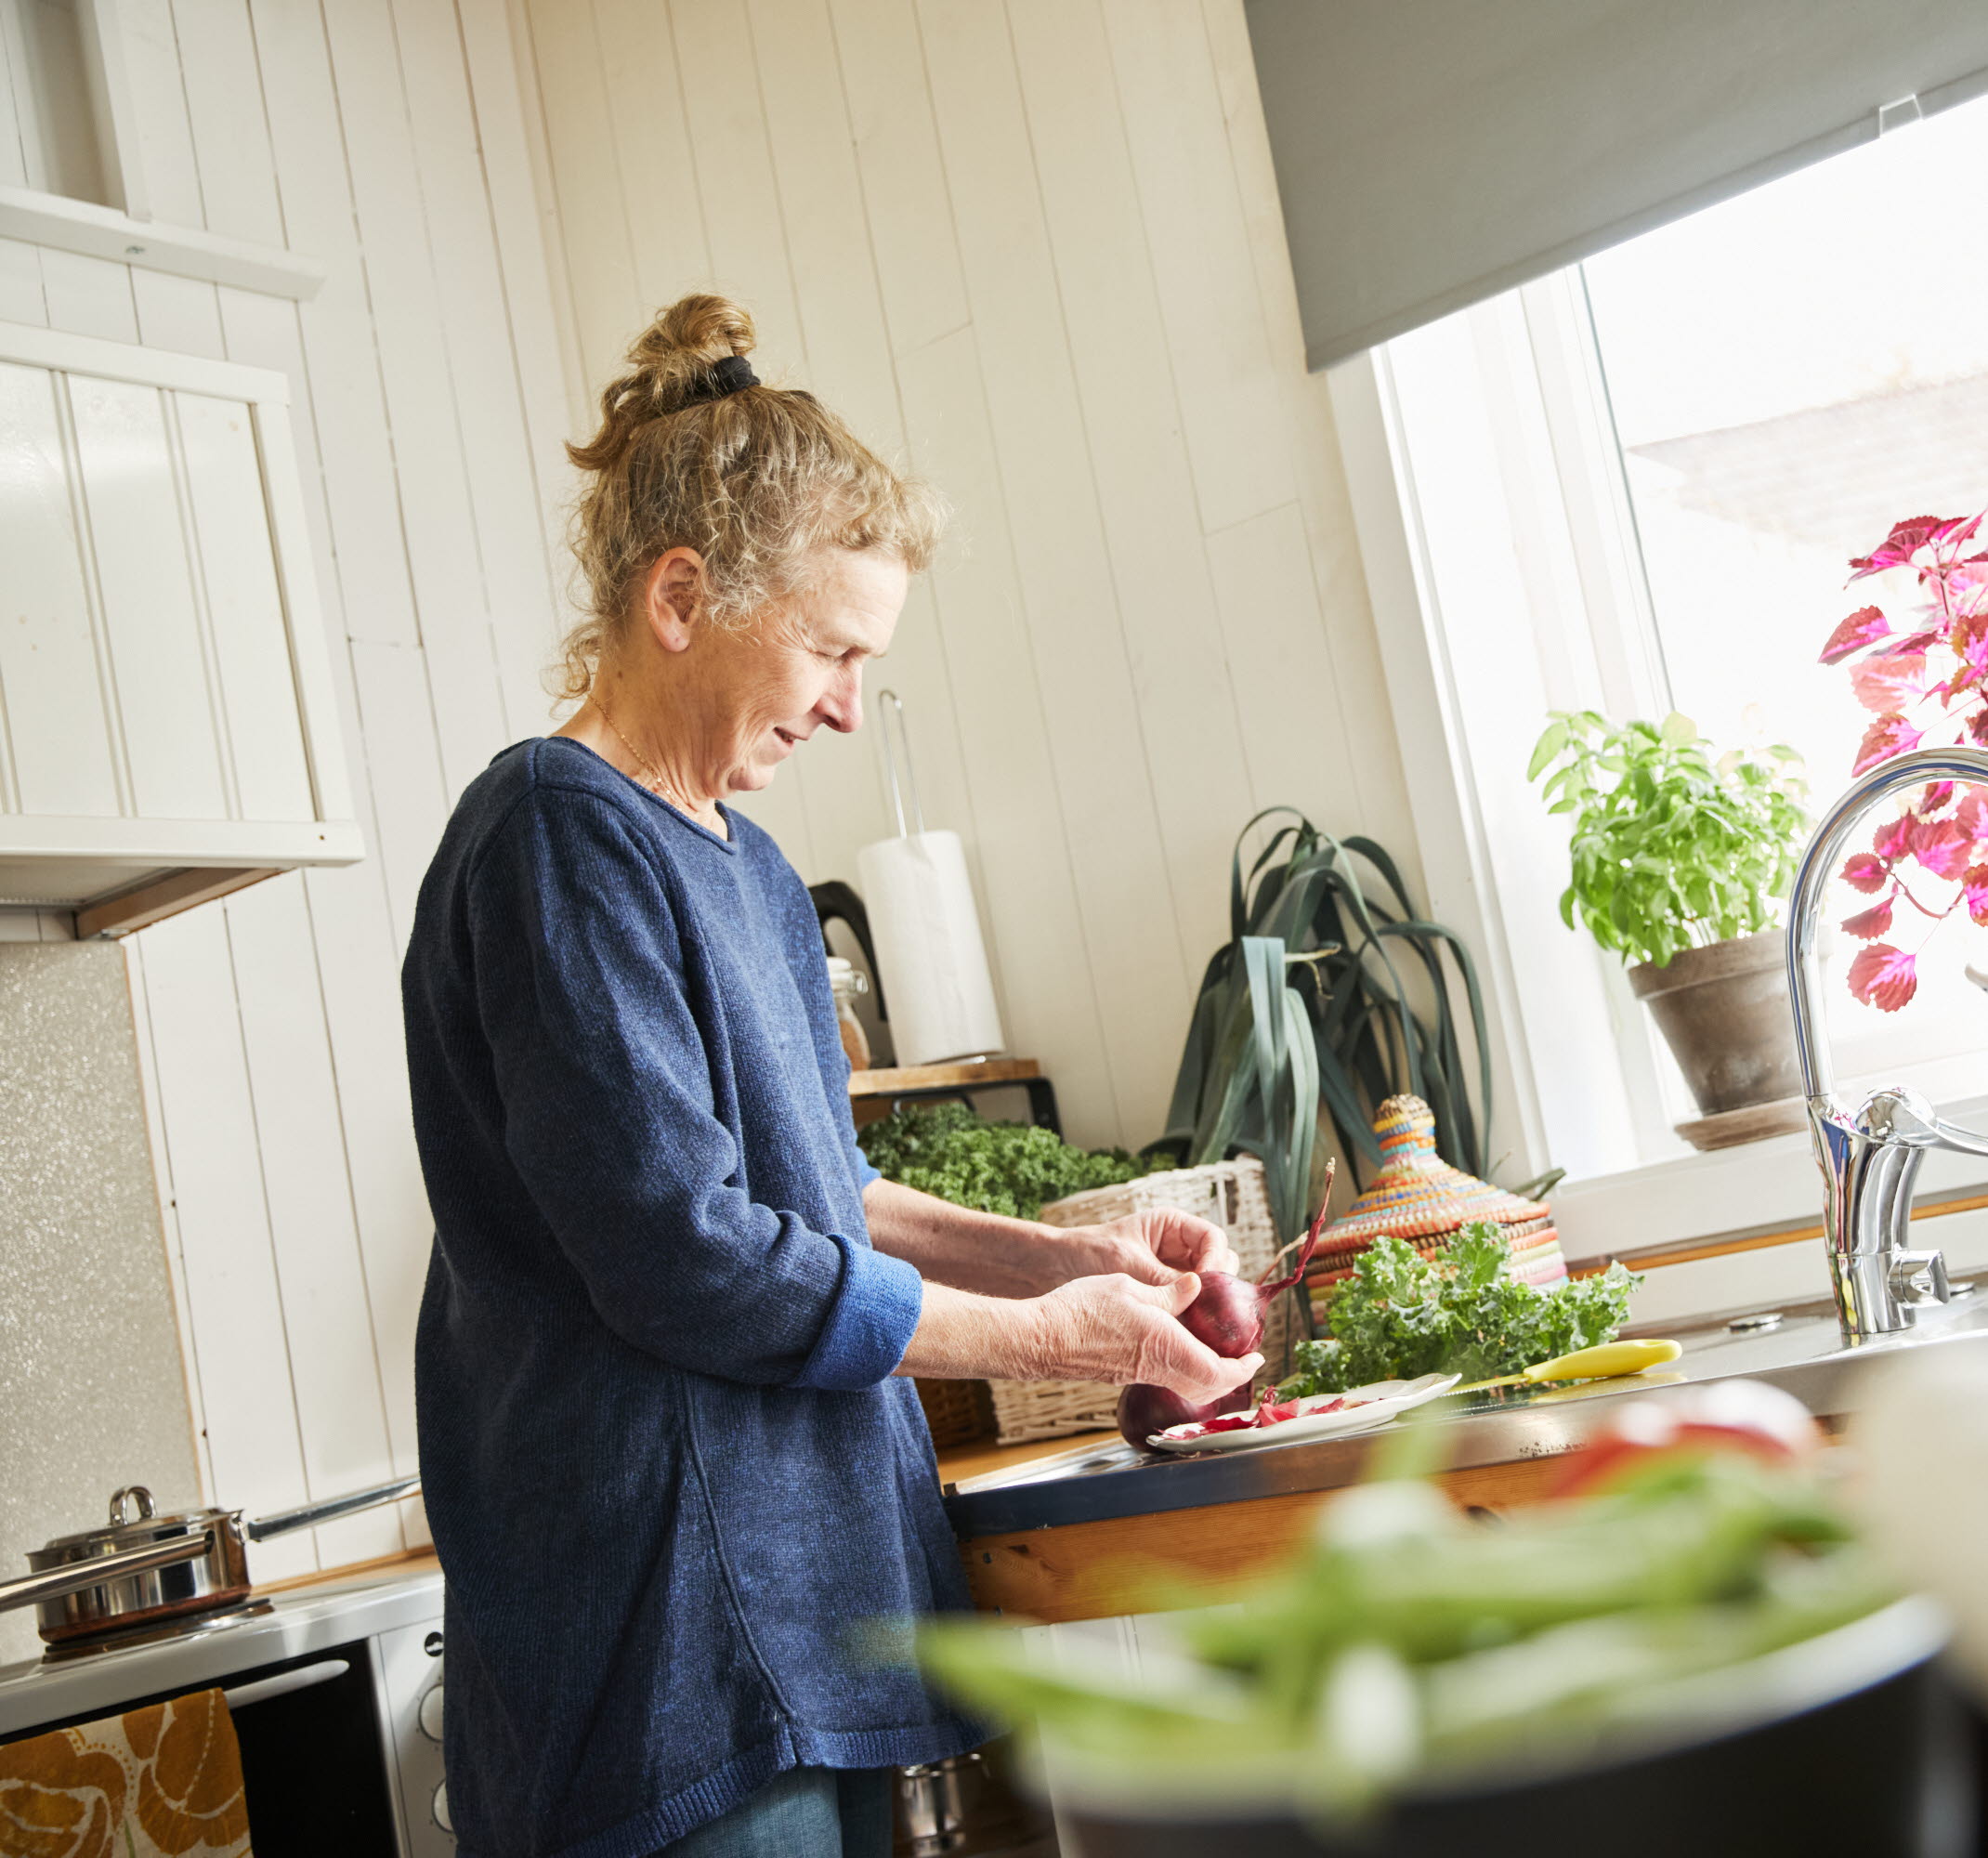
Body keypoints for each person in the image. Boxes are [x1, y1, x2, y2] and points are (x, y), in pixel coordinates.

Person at [401, 294, 1259, 1858]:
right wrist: (1039, 1332)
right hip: (667, 1645)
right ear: (681, 597)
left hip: (808, 1602)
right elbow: (690, 1253)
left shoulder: (754, 868)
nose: (850, 703)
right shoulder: (556, 833)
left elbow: (820, 1194)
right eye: (828, 648)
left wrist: (1072, 1257)